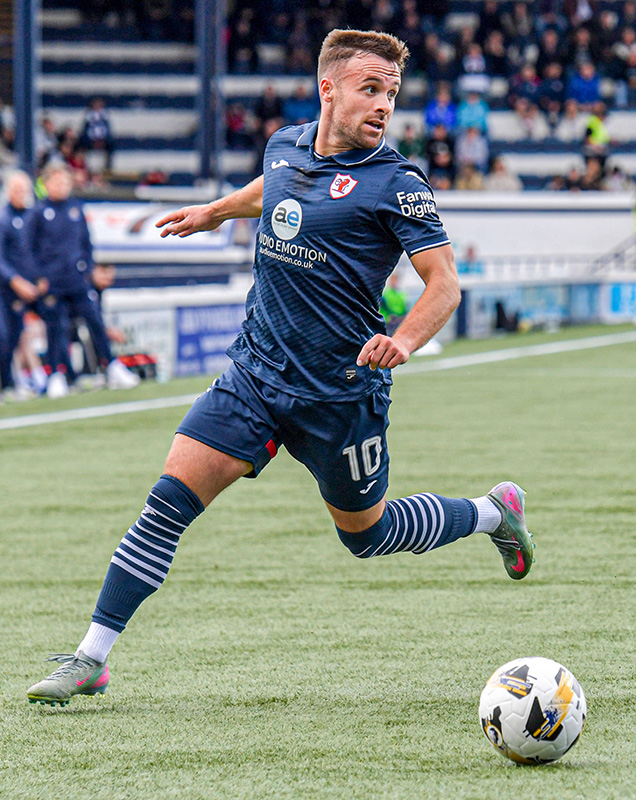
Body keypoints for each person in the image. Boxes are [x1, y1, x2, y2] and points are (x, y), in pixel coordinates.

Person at [27, 29, 535, 707]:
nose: (384, 104)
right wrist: (215, 211)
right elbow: (274, 187)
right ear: (328, 89)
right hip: (256, 376)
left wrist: (405, 340)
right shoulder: (285, 144)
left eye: (390, 92)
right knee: (166, 503)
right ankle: (91, 657)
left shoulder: (398, 183)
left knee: (368, 535)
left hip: (339, 395)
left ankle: (491, 513)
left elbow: (444, 284)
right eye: (370, 88)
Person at [23, 164, 139, 397]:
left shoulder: (76, 208)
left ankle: (111, 365)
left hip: (77, 279)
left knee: (95, 320)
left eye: (65, 182)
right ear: (47, 184)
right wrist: (38, 277)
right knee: (56, 328)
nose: (62, 186)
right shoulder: (38, 212)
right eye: (57, 181)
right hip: (52, 283)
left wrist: (88, 268)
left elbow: (86, 243)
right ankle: (56, 375)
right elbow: (29, 249)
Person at [0, 171, 49, 399]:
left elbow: (38, 251)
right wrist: (16, 281)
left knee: (53, 322)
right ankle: (8, 384)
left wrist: (40, 277)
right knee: (6, 336)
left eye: (24, 189)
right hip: (6, 289)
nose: (21, 194)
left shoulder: (32, 216)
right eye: (17, 189)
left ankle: (55, 375)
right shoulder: (3, 218)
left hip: (30, 286)